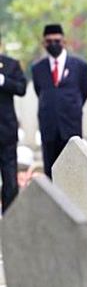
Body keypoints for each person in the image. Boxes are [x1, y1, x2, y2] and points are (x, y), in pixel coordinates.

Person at [31, 24, 87, 177]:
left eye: (57, 40)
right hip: (49, 126)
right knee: (50, 169)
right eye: (48, 41)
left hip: (71, 125)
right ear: (43, 44)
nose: (53, 44)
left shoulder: (80, 66)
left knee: (73, 169)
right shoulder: (38, 68)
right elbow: (40, 91)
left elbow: (84, 90)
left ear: (64, 41)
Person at [0, 31, 26, 212]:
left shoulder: (10, 65)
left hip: (5, 130)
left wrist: (2, 81)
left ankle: (10, 216)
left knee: (9, 177)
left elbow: (21, 88)